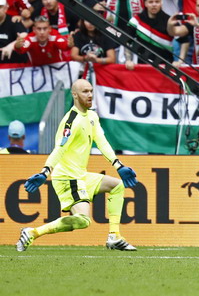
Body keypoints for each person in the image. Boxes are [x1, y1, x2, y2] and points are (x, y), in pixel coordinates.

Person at [16, 79, 138, 252]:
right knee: (83, 220)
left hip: (80, 175)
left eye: (91, 91)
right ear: (74, 95)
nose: (90, 95)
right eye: (85, 92)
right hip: (67, 177)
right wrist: (45, 172)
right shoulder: (71, 121)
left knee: (117, 186)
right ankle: (32, 232)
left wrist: (118, 165)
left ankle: (114, 236)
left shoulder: (92, 116)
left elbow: (102, 142)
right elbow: (59, 149)